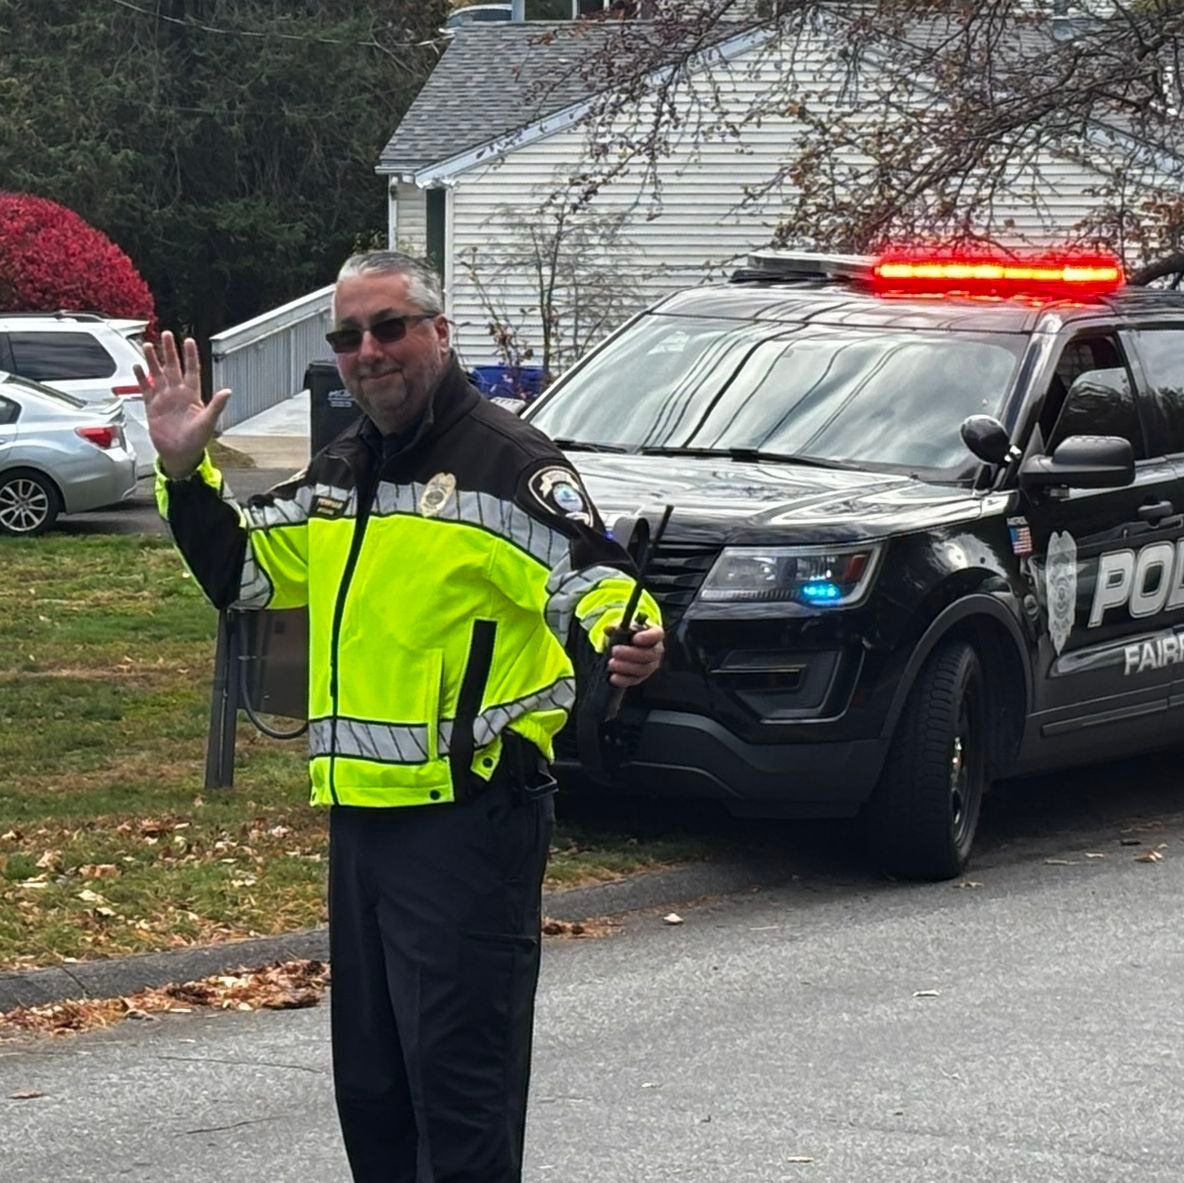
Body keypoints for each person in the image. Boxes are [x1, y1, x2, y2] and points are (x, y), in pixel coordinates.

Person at [139, 251, 665, 1183]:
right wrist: (186, 477)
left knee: (459, 1104)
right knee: (375, 1099)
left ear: (440, 332)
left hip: (471, 825)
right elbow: (246, 572)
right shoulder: (346, 470)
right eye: (349, 336)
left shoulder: (508, 466)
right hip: (364, 830)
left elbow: (599, 582)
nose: (368, 351)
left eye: (389, 327)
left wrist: (635, 639)